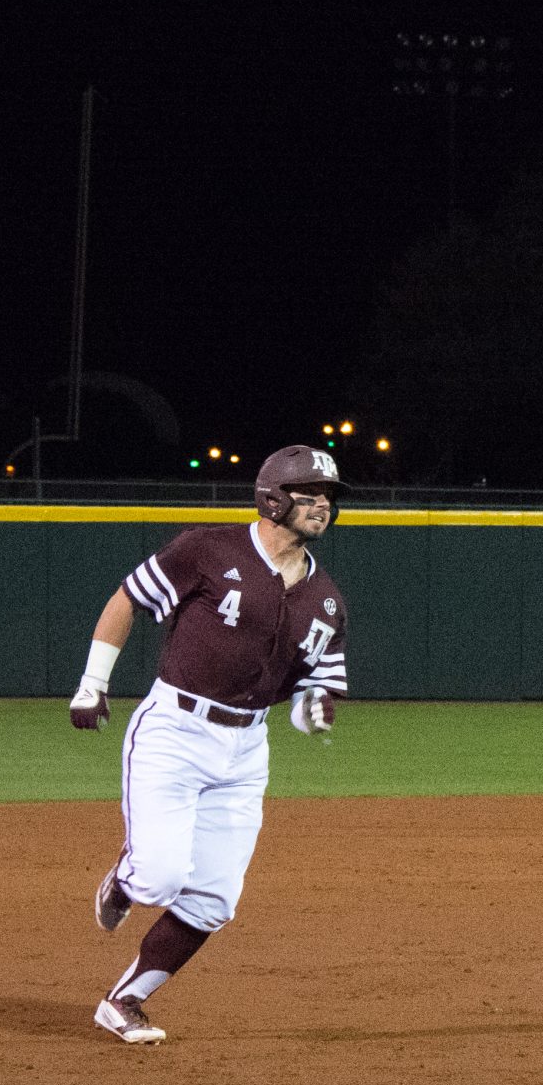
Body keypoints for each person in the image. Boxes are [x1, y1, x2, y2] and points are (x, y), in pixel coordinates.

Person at [66, 445, 351, 1044]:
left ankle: (124, 1001)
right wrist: (92, 685)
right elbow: (128, 600)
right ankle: (125, 880)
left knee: (215, 900)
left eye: (328, 496)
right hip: (174, 730)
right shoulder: (206, 549)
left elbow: (313, 690)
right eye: (309, 494)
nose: (323, 505)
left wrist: (313, 710)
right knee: (159, 880)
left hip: (246, 751)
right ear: (273, 498)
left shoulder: (327, 601)